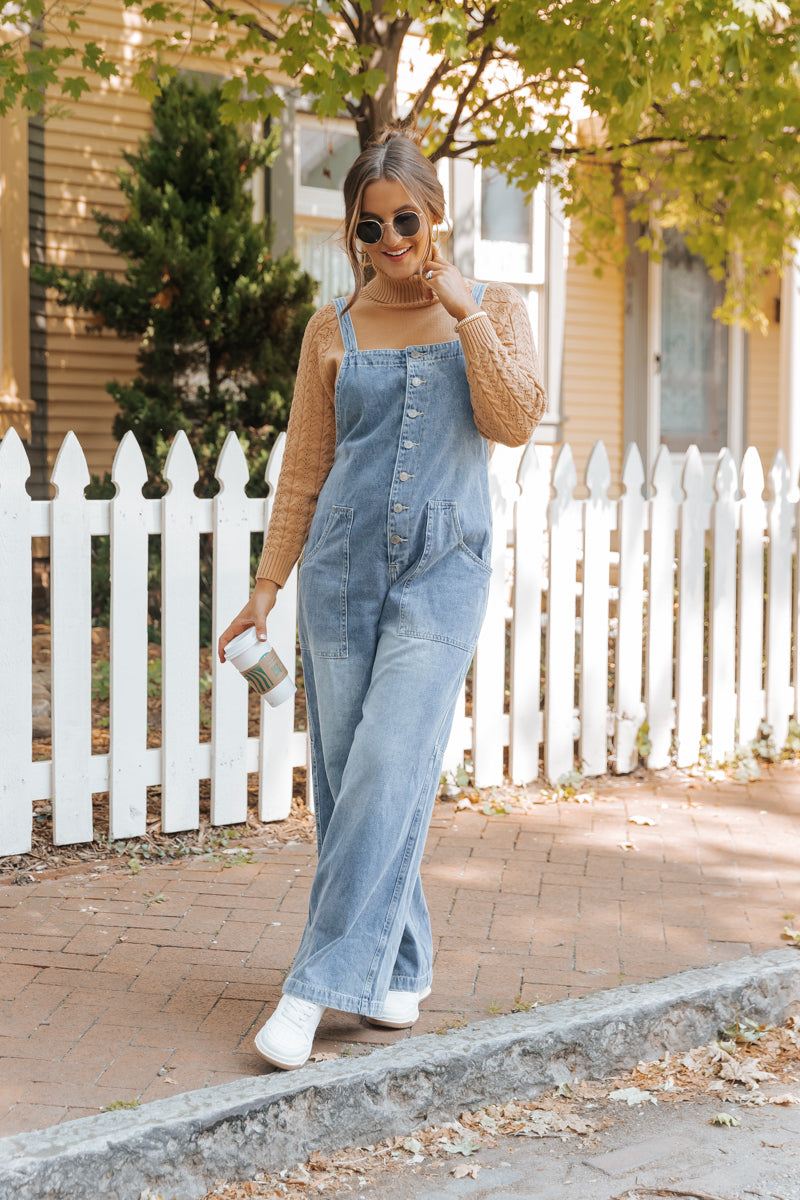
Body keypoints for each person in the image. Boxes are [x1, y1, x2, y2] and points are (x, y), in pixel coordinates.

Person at [217, 126, 547, 1070]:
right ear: (354, 232)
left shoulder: (496, 307)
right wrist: (265, 587)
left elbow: (516, 419)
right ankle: (400, 967)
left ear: (434, 214)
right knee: (346, 779)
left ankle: (313, 986)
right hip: (340, 573)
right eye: (373, 227)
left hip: (445, 572)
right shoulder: (334, 328)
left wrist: (463, 312)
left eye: (407, 219)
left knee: (391, 760)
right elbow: (306, 470)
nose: (392, 239)